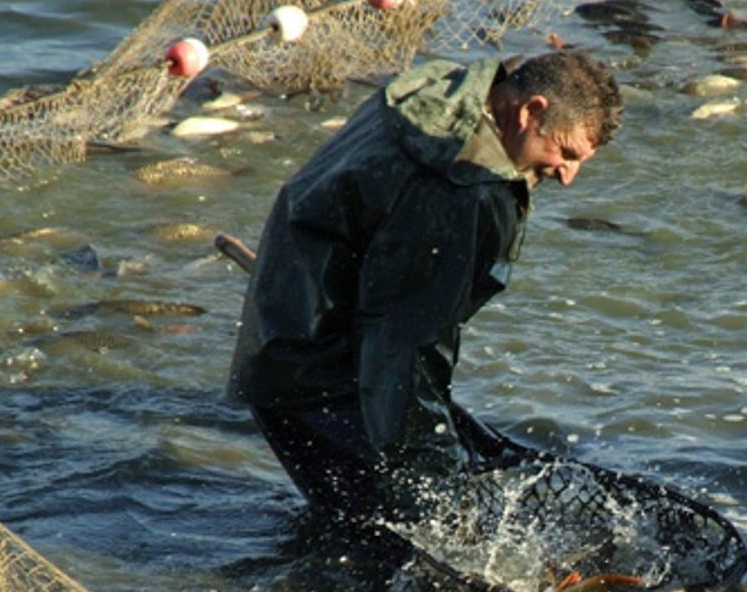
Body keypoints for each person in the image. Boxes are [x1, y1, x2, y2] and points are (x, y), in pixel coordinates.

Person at [228, 50, 622, 522]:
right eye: (567, 152)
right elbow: (404, 345)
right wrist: (431, 482)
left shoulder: (440, 92)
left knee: (355, 526)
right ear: (530, 110)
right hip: (313, 381)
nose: (568, 177)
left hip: (283, 334)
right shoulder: (460, 189)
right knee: (391, 546)